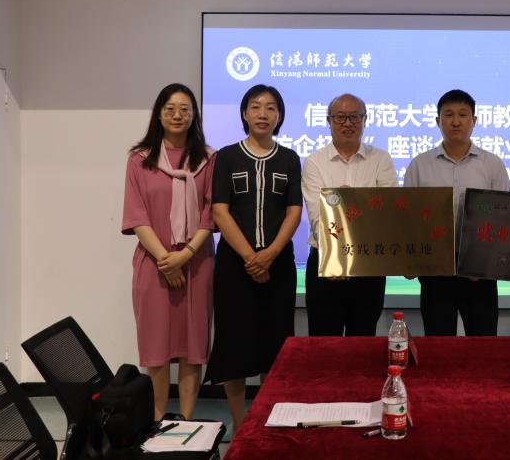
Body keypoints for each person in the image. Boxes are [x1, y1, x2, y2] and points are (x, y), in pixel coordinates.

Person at [205, 85, 302, 432]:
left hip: (279, 266)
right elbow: (220, 210)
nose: (263, 113)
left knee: (275, 344)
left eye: (271, 107)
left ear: (280, 116)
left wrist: (270, 255)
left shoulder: (289, 158)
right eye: (256, 106)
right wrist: (250, 257)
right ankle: (239, 423)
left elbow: (294, 211)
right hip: (235, 266)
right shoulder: (226, 157)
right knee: (234, 344)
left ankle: (268, 421)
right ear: (244, 113)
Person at [121, 83, 215, 421]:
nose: (177, 115)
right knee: (156, 349)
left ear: (194, 115)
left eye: (185, 109)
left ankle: (187, 420)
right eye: (170, 109)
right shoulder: (139, 160)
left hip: (197, 263)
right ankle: (157, 419)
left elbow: (211, 214)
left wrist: (185, 255)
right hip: (154, 264)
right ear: (158, 114)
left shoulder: (208, 159)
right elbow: (137, 216)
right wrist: (167, 260)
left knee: (193, 348)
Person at [404, 89, 510, 335]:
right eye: (448, 115)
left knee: (483, 342)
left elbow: (504, 218)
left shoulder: (492, 164)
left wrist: (488, 263)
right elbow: (408, 218)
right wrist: (409, 261)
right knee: (438, 342)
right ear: (437, 120)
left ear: (474, 120)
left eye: (463, 115)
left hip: (479, 272)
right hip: (434, 271)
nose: (455, 121)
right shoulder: (420, 165)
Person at [302, 93, 398, 336]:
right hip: (325, 266)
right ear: (328, 121)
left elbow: (387, 213)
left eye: (355, 117)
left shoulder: (381, 159)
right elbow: (317, 216)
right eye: (340, 117)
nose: (348, 123)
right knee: (324, 345)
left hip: (368, 265)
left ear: (365, 120)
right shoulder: (314, 162)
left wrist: (348, 202)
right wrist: (336, 255)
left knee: (363, 343)